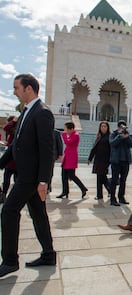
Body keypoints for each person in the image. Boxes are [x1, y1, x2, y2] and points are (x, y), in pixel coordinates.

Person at [0, 74, 56, 277]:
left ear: (29, 89)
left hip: (30, 178)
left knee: (8, 210)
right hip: (25, 174)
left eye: (17, 88)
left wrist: (43, 180)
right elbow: (16, 144)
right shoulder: (26, 112)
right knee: (38, 214)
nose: (14, 92)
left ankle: (9, 261)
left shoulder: (42, 113)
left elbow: (47, 149)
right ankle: (49, 254)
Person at [57, 121, 88, 199]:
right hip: (67, 157)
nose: (65, 131)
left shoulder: (76, 135)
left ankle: (83, 188)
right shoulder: (70, 135)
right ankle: (65, 191)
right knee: (64, 175)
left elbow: (68, 142)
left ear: (71, 129)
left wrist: (63, 135)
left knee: (72, 175)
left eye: (66, 129)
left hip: (72, 157)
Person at [109, 120, 132, 206]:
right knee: (114, 180)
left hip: (125, 161)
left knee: (123, 180)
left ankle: (121, 197)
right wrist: (119, 136)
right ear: (118, 127)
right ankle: (112, 199)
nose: (122, 128)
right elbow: (112, 143)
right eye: (120, 126)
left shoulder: (128, 134)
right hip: (116, 161)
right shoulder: (114, 134)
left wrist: (126, 137)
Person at [88, 121, 111, 200]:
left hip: (105, 160)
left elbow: (111, 150)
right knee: (99, 177)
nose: (103, 128)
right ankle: (100, 194)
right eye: (102, 126)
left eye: (105, 126)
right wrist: (90, 158)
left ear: (107, 128)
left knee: (103, 177)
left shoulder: (109, 137)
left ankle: (109, 191)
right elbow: (94, 148)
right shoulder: (99, 136)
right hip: (98, 160)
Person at [2, 116, 18, 198]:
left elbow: (6, 127)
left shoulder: (15, 130)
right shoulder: (13, 131)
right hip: (14, 160)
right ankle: (5, 195)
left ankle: (5, 194)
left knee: (8, 178)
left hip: (12, 160)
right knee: (11, 179)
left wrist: (14, 121)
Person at [48, 129, 63, 193]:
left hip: (51, 156)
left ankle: (48, 186)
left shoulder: (56, 133)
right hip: (41, 155)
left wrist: (60, 154)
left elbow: (59, 143)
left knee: (50, 172)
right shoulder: (41, 130)